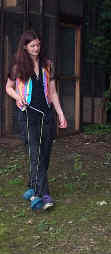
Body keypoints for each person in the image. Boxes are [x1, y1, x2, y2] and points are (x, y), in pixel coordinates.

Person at [6, 30, 67, 210]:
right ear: (25, 47)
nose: (36, 48)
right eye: (32, 45)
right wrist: (17, 96)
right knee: (36, 154)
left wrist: (61, 113)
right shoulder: (18, 66)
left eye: (38, 45)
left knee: (45, 153)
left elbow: (53, 92)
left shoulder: (48, 65)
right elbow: (8, 87)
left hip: (46, 114)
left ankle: (32, 186)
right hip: (27, 115)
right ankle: (44, 195)